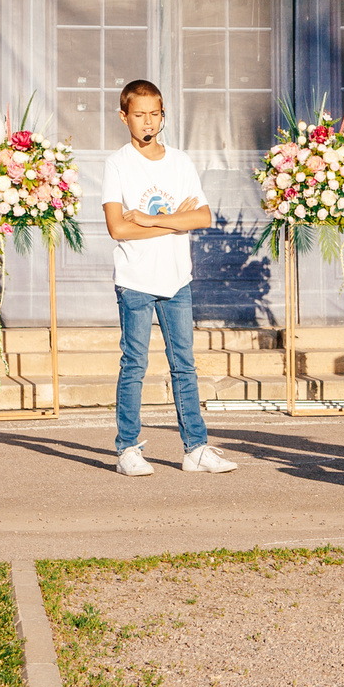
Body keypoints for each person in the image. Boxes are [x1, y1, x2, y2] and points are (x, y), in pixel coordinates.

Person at [102, 79, 238, 477]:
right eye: (140, 115)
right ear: (124, 116)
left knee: (184, 365)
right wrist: (173, 223)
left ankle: (195, 448)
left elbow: (202, 217)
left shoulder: (179, 161)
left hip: (177, 279)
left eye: (155, 114)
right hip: (136, 279)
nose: (148, 123)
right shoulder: (118, 163)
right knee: (135, 364)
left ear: (163, 115)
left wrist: (149, 218)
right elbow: (117, 228)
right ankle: (127, 448)